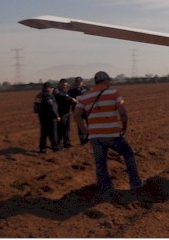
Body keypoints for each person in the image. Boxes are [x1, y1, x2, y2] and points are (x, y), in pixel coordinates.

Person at [73, 71, 144, 199]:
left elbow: (76, 115)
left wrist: (85, 131)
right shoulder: (114, 93)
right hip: (112, 134)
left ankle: (105, 191)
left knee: (100, 163)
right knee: (128, 155)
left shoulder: (84, 96)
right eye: (108, 80)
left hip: (94, 136)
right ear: (105, 80)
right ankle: (136, 183)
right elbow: (123, 112)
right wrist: (124, 126)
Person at [33, 81, 60, 153]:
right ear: (49, 88)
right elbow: (52, 107)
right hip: (50, 117)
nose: (53, 89)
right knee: (53, 133)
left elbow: (36, 107)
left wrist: (40, 113)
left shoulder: (39, 95)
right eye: (52, 88)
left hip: (42, 117)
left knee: (43, 133)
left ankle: (43, 148)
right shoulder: (49, 96)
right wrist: (56, 116)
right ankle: (55, 147)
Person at [53, 79, 79, 149]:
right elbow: (61, 96)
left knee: (67, 129)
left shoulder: (66, 91)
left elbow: (69, 99)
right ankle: (58, 144)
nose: (65, 86)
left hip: (67, 112)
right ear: (60, 84)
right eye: (63, 85)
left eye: (66, 85)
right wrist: (71, 99)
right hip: (60, 113)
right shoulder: (56, 91)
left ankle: (66, 143)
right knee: (61, 128)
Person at [68, 77, 91, 144]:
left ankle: (90, 136)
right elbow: (68, 99)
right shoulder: (71, 90)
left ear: (82, 82)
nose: (78, 83)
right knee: (80, 125)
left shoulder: (87, 89)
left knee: (89, 123)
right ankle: (82, 139)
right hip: (77, 110)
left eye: (79, 82)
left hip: (86, 110)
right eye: (77, 82)